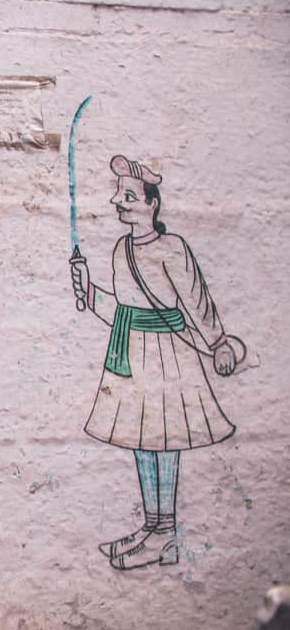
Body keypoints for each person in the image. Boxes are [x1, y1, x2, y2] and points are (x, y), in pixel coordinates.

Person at [69, 154, 241, 570]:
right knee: (142, 443)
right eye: (119, 194)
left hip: (169, 355)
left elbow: (197, 300)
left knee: (164, 444)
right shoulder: (120, 249)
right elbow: (121, 310)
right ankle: (153, 526)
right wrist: (88, 291)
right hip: (132, 349)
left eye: (129, 195)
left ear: (152, 205)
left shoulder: (171, 248)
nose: (118, 201)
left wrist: (218, 342)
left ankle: (165, 533)